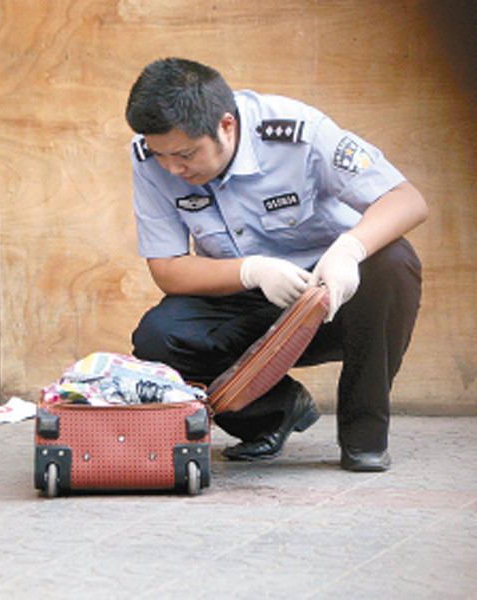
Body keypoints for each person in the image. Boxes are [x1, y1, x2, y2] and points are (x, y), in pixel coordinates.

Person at [124, 58, 427, 471]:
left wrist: (349, 250)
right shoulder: (149, 159)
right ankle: (276, 412)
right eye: (162, 156)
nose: (173, 168)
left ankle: (364, 434)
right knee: (158, 337)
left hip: (333, 293)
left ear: (226, 126)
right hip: (246, 295)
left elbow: (407, 199)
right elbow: (167, 269)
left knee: (394, 261)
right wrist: (252, 272)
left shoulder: (298, 134)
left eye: (185, 154)